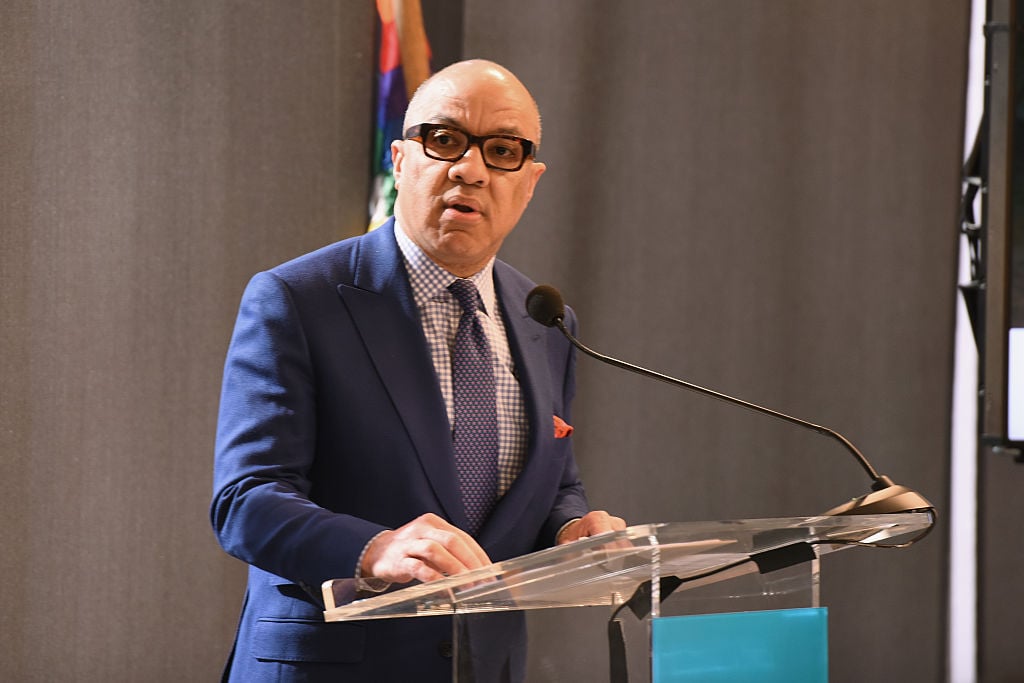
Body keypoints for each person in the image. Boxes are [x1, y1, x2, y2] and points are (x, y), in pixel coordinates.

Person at [211, 58, 625, 682]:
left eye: (503, 151)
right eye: (446, 140)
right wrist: (372, 549)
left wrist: (573, 529)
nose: (471, 169)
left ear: (531, 181)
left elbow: (549, 482)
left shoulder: (546, 319)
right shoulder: (299, 299)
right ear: (402, 160)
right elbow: (246, 501)